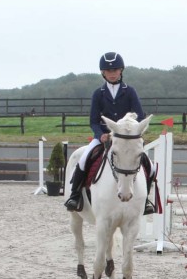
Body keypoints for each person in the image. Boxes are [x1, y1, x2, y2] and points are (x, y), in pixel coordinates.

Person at [64, 52, 155, 215]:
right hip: (104, 137)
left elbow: (140, 116)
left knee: (149, 164)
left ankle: (146, 199)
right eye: (108, 71)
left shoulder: (130, 92)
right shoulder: (98, 93)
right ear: (103, 73)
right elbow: (93, 120)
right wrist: (100, 135)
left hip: (126, 138)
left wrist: (130, 129)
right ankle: (75, 195)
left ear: (121, 71)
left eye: (115, 70)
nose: (112, 74)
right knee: (84, 160)